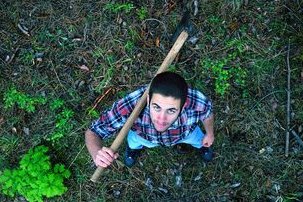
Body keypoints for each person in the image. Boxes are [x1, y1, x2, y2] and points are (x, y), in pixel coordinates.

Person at [85, 71, 214, 168]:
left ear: (184, 104)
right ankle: (133, 150)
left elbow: (207, 113)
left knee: (199, 139)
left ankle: (202, 147)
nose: (161, 119)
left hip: (186, 134)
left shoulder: (196, 100)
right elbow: (93, 132)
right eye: (156, 107)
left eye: (171, 110)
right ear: (148, 99)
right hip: (145, 137)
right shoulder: (130, 106)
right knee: (134, 142)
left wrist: (209, 133)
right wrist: (97, 153)